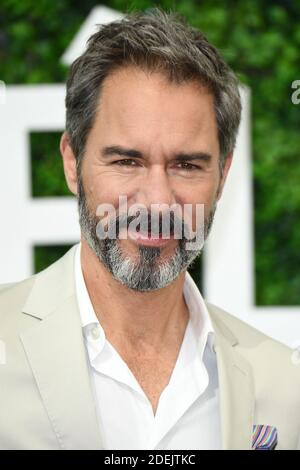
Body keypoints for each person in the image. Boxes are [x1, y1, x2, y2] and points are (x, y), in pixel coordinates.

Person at [0, 8, 299, 451]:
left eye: (186, 165)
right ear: (71, 161)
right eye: (126, 161)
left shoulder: (285, 386)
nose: (157, 201)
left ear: (223, 175)